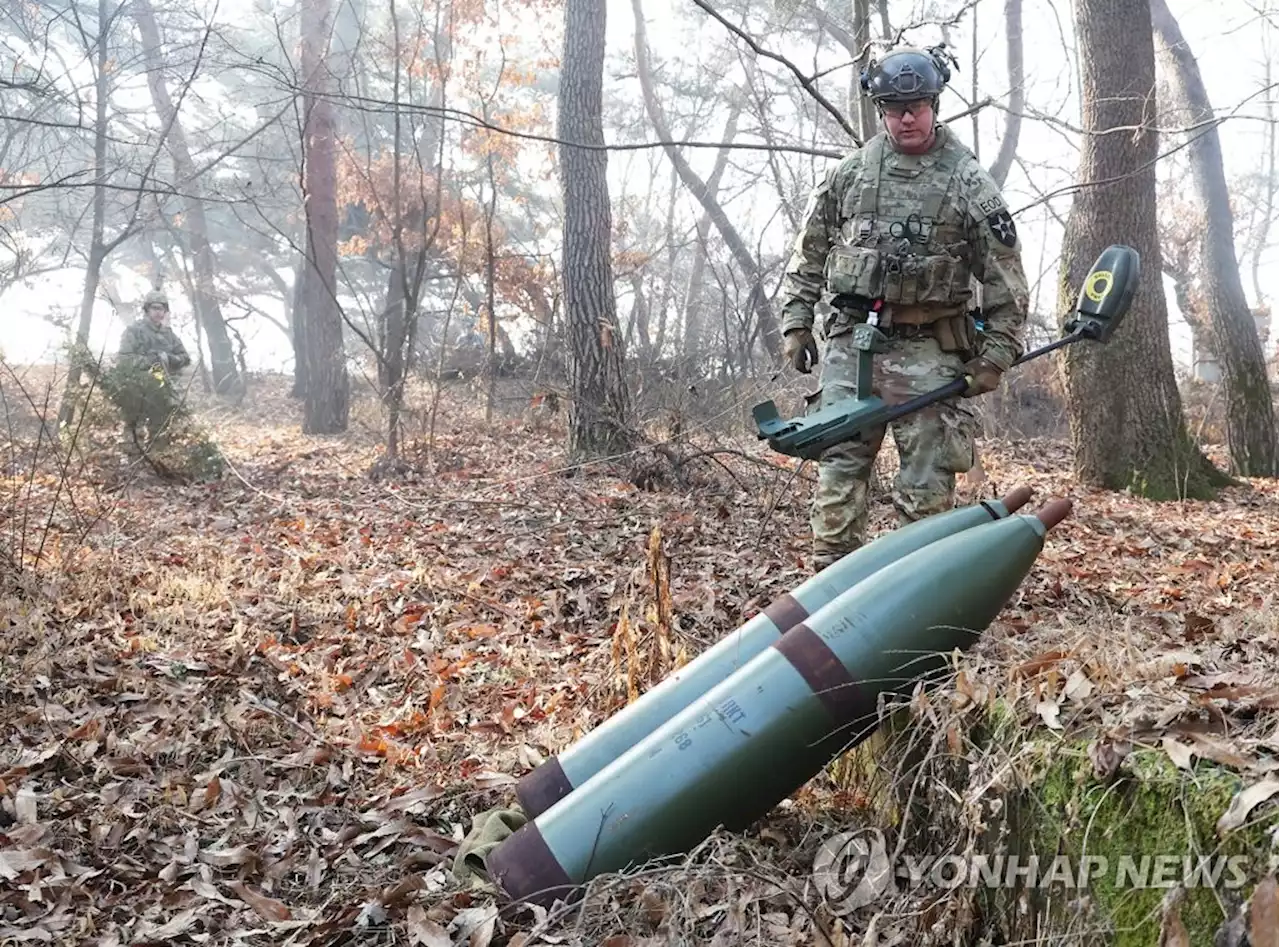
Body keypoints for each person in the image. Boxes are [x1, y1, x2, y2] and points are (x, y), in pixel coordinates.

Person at [777, 45, 1031, 571]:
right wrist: (796, 323)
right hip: (854, 345)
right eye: (895, 107)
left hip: (931, 351)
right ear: (881, 110)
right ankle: (832, 586)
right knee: (840, 468)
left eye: (916, 105)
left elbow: (1005, 278)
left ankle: (911, 588)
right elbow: (810, 252)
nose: (907, 117)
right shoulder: (851, 175)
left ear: (934, 104)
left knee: (927, 478)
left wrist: (997, 354)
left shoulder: (968, 182)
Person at [116, 290, 192, 445]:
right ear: (147, 309)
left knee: (161, 430)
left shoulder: (169, 334)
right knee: (134, 431)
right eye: (155, 308)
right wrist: (148, 361)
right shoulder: (134, 331)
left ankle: (157, 463)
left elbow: (185, 358)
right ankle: (133, 463)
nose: (158, 312)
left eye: (162, 309)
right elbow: (124, 360)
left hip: (162, 388)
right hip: (138, 387)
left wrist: (170, 358)